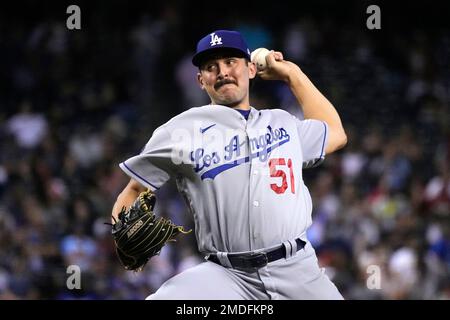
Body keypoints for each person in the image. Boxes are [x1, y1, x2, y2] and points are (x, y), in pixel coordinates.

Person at [111, 29, 347, 299]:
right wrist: (123, 236)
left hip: (298, 269)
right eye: (211, 67)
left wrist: (292, 75)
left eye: (230, 62)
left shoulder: (283, 123)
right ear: (201, 81)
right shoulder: (180, 131)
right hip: (226, 277)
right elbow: (133, 190)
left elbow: (335, 133)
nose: (222, 71)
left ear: (250, 69)